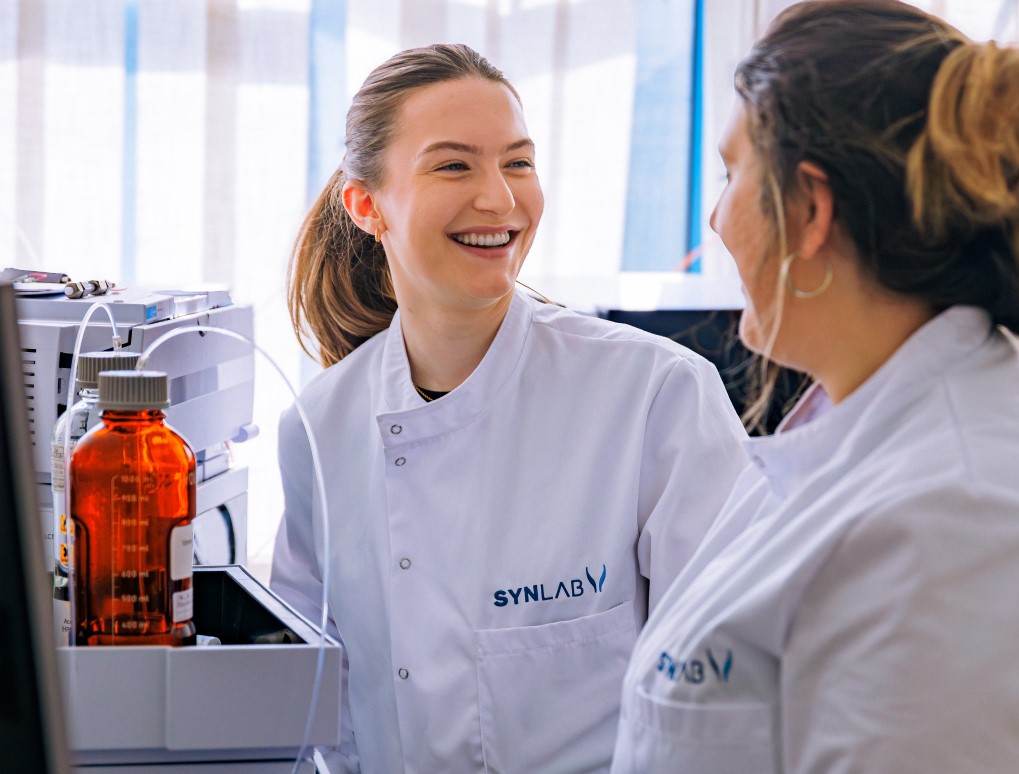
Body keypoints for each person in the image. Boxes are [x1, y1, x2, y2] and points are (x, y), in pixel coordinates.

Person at [611, 1, 1019, 772]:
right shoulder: (852, 432)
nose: (714, 218)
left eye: (732, 174)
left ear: (811, 209)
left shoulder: (963, 520)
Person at [270, 43, 749, 773]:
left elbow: (726, 688)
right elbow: (308, 707)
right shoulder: (320, 427)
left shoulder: (656, 394)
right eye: (453, 165)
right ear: (367, 206)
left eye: (518, 163)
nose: (499, 199)